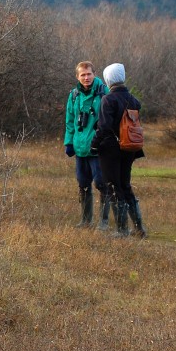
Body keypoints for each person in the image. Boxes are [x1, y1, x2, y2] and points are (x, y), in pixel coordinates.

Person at [90, 63, 147, 238]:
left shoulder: (108, 99)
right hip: (130, 148)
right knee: (125, 185)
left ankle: (121, 231)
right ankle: (139, 228)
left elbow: (104, 127)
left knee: (113, 186)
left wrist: (94, 143)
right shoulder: (133, 100)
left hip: (111, 149)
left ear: (109, 80)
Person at [63, 61, 110, 229]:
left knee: (101, 183)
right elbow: (69, 121)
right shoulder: (74, 95)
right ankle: (86, 221)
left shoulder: (104, 92)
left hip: (98, 148)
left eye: (89, 74)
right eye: (82, 75)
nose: (86, 77)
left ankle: (103, 222)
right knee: (83, 183)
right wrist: (68, 143)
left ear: (94, 74)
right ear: (77, 77)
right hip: (80, 147)